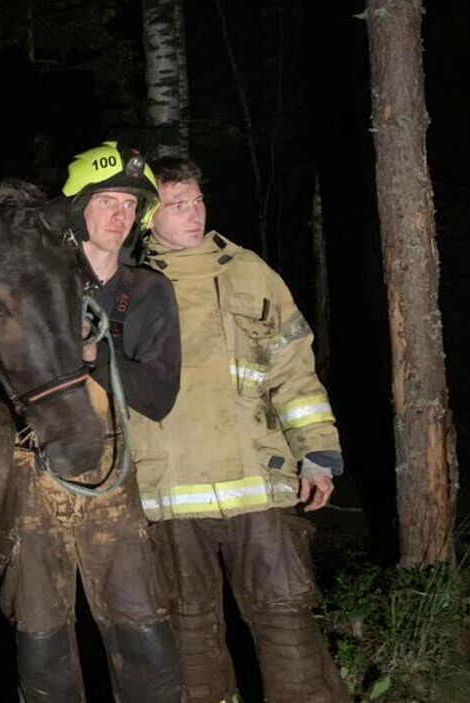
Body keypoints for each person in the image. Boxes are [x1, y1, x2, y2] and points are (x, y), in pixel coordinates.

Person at [0, 142, 184, 702]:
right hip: (32, 483)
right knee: (40, 642)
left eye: (130, 206)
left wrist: (98, 356)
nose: (120, 215)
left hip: (113, 478)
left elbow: (158, 398)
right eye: (107, 200)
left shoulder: (147, 291)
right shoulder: (33, 277)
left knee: (142, 632)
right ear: (75, 209)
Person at [137, 155, 348, 703]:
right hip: (168, 492)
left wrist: (318, 453)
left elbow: (295, 369)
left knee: (287, 620)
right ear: (147, 217)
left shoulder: (250, 270)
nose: (192, 212)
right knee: (187, 631)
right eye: (175, 204)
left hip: (259, 480)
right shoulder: (125, 285)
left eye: (197, 200)